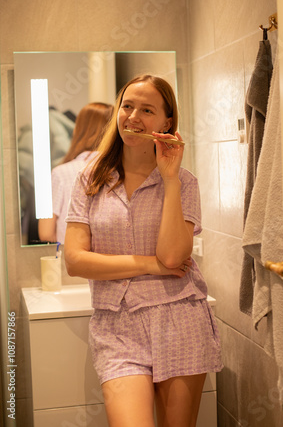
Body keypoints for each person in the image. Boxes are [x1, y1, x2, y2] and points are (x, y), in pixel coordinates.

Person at [64, 75, 222, 427]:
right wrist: (149, 265)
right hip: (117, 327)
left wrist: (169, 178)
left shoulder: (183, 182)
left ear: (167, 123)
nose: (133, 117)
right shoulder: (89, 179)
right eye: (127, 106)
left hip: (179, 318)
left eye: (147, 110)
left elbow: (173, 258)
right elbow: (75, 261)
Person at [38, 102, 113, 244]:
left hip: (72, 261)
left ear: (78, 129)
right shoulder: (121, 171)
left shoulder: (60, 173)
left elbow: (45, 233)